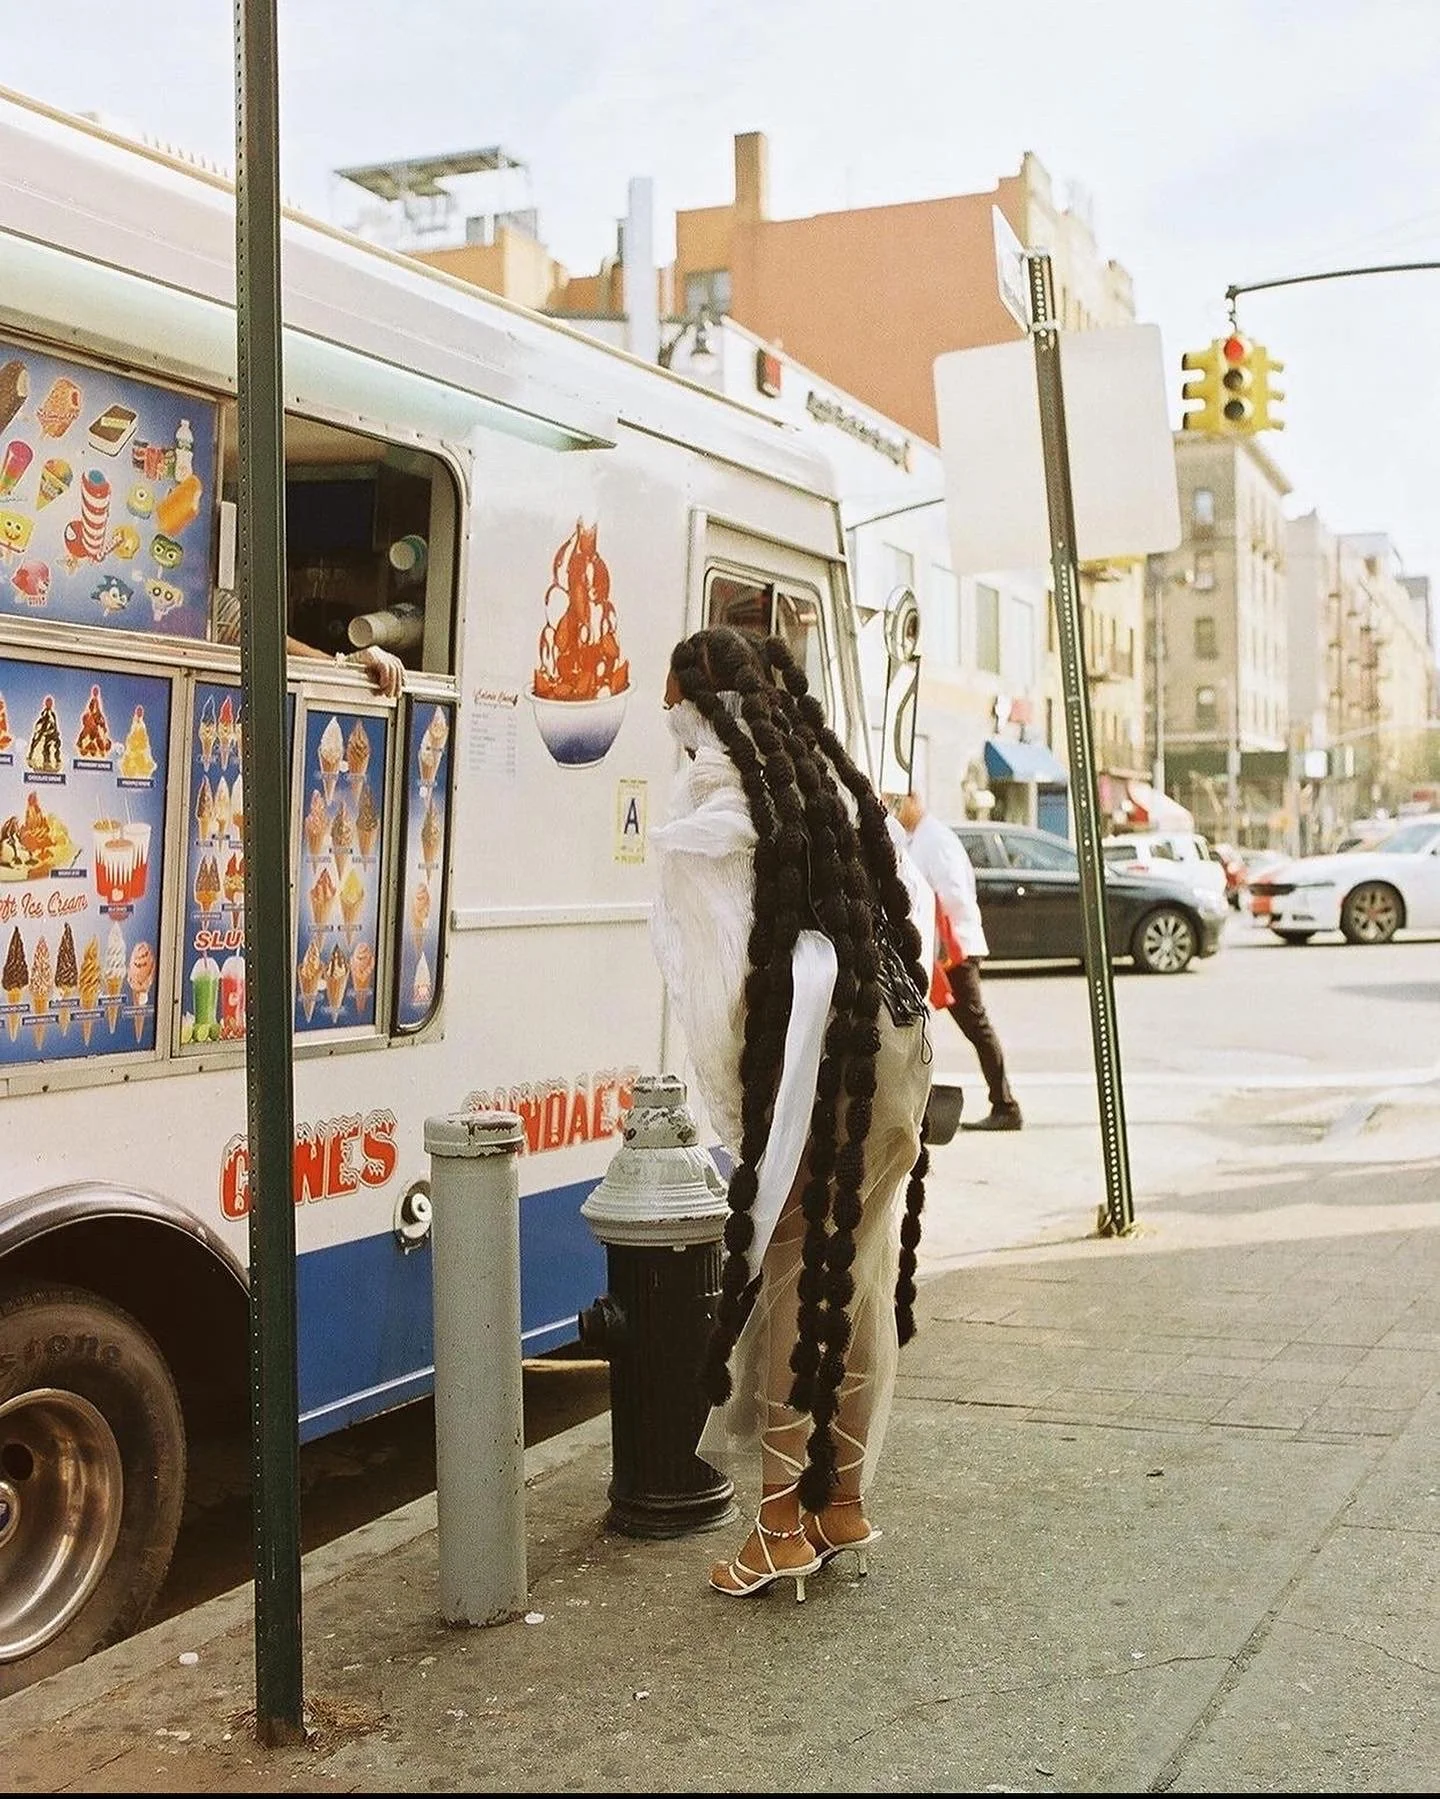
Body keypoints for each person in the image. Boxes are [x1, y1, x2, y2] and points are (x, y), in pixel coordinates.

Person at [649, 626, 934, 1602]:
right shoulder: (831, 789)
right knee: (856, 1271)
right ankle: (839, 1501)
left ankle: (778, 1527)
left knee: (793, 1279)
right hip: (892, 1049)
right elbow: (909, 911)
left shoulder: (717, 811)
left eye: (673, 705)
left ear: (705, 709)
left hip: (818, 1062)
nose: (669, 724)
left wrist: (747, 1121)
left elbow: (719, 996)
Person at [894, 791, 1022, 1133]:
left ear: (913, 800)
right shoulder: (919, 838)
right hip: (938, 950)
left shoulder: (935, 840)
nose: (894, 810)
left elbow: (954, 898)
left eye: (896, 803)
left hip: (952, 951)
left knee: (974, 1026)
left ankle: (1006, 1105)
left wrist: (937, 942)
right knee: (917, 1025)